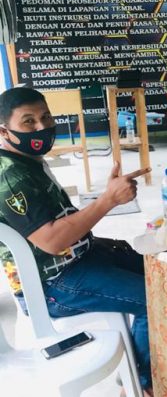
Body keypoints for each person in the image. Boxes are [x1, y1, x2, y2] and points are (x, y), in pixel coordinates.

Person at [0, 87, 153, 393]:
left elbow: (62, 221)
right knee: (153, 299)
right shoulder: (10, 177)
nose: (42, 127)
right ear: (4, 131)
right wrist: (108, 200)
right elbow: (53, 241)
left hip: (79, 260)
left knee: (164, 274)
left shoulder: (28, 161)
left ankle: (155, 361)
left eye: (46, 117)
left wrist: (97, 236)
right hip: (51, 285)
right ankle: (142, 386)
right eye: (28, 121)